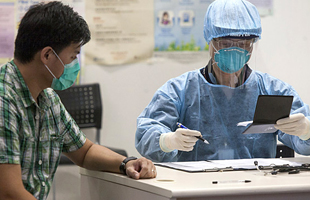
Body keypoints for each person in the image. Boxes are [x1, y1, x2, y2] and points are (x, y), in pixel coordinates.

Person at [0, 2, 156, 200]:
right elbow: (9, 193)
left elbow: (85, 151)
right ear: (47, 55)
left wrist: (126, 163)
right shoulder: (4, 101)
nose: (75, 65)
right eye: (73, 56)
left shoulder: (48, 99)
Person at [135, 0, 310, 162]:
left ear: (252, 44)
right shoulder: (179, 90)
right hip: (195, 188)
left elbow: (302, 143)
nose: (234, 49)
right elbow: (145, 135)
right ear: (210, 40)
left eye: (242, 44)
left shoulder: (273, 90)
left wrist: (306, 132)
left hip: (258, 187)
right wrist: (167, 141)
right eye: (225, 43)